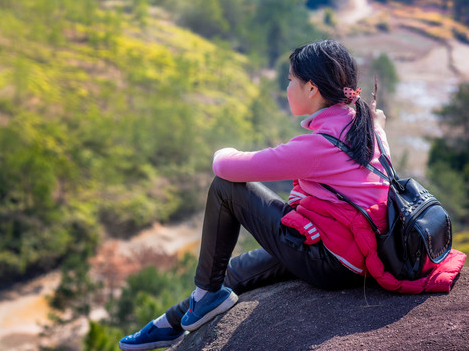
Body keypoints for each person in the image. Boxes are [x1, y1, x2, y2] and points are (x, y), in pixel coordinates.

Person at [118, 40, 465, 351]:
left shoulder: (319, 145)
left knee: (227, 189)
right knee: (236, 270)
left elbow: (225, 167)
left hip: (329, 261)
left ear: (312, 87)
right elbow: (380, 141)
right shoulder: (366, 125)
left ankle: (204, 297)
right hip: (352, 251)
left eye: (290, 80)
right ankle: (168, 325)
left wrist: (221, 148)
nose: (287, 87)